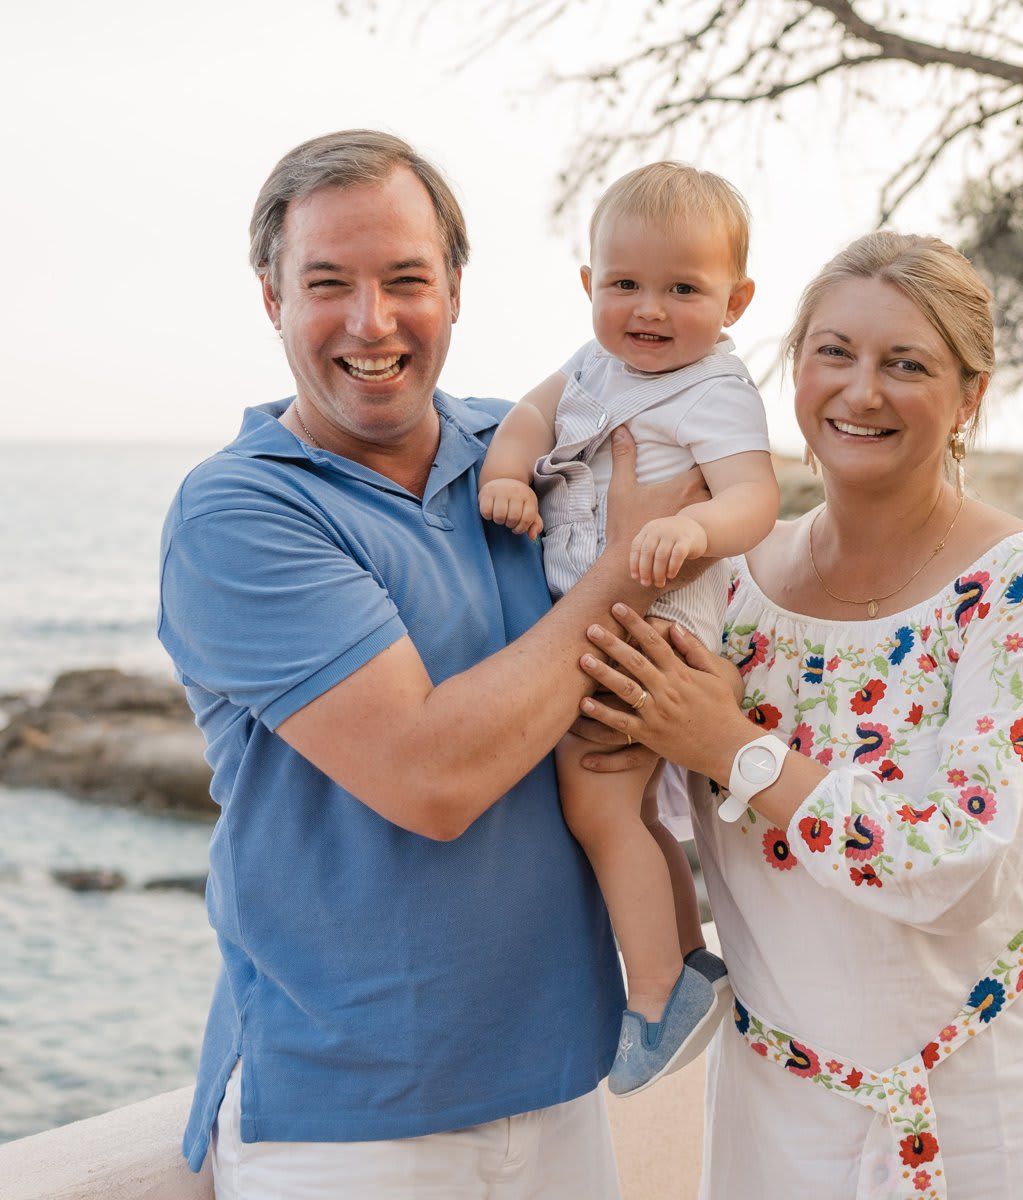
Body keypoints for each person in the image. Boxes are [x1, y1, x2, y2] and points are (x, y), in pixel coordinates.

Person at [156, 129, 711, 1199]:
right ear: (270, 296)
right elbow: (432, 778)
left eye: (406, 279)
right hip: (345, 1129)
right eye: (328, 283)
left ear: (455, 288)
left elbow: (707, 561)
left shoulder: (537, 460)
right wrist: (630, 570)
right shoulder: (240, 513)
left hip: (560, 1088)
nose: (371, 322)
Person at [572, 232, 1023, 1198]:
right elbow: (608, 753)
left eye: (906, 364)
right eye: (834, 353)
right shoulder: (724, 583)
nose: (861, 392)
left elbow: (961, 858)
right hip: (777, 1119)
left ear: (968, 398)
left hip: (987, 1111)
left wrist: (731, 748)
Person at [477, 162, 779, 1096]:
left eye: (683, 289)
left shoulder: (715, 391)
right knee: (627, 805)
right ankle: (685, 959)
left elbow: (755, 498)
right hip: (599, 618)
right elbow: (530, 417)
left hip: (652, 625)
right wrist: (506, 471)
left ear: (736, 299)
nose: (649, 309)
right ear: (589, 286)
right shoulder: (588, 369)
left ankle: (654, 991)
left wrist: (693, 526)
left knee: (597, 802)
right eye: (625, 285)